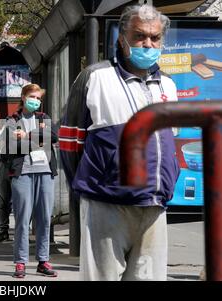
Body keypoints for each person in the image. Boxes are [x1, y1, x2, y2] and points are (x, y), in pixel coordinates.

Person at [59, 4, 180, 281]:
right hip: (106, 204)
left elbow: (168, 142)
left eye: (154, 38)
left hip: (154, 206)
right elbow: (69, 143)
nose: (147, 44)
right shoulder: (95, 77)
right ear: (121, 38)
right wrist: (90, 186)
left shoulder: (168, 85)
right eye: (140, 36)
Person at [7, 84, 59, 278]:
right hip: (23, 173)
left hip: (45, 172)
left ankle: (43, 261)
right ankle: (20, 263)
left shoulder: (44, 118)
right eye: (32, 97)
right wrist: (39, 138)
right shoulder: (12, 120)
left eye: (38, 98)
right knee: (23, 220)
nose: (35, 101)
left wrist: (27, 136)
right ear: (23, 97)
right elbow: (11, 145)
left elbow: (53, 136)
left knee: (45, 219)